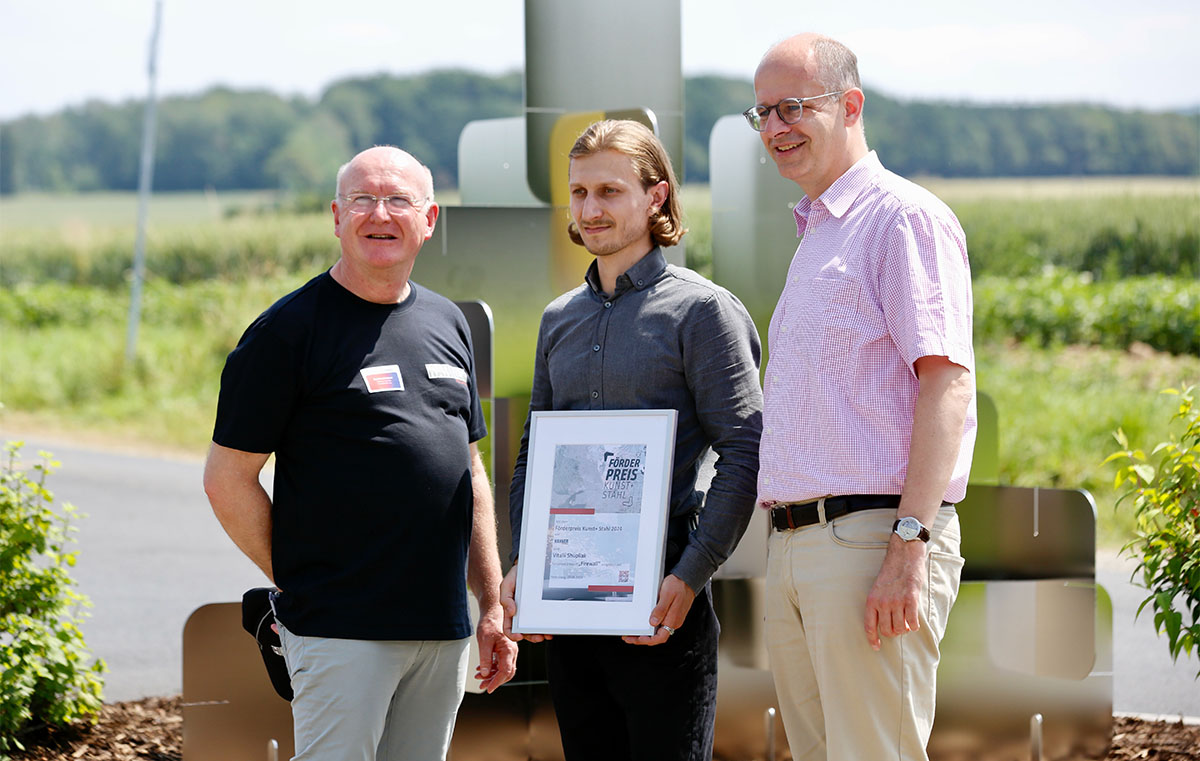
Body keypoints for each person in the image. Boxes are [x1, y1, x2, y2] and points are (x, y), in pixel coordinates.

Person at [203, 145, 518, 761]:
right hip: (340, 630)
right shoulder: (286, 334)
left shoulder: (448, 322)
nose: (381, 212)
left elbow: (469, 473)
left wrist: (489, 602)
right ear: (336, 215)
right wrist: (305, 583)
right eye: (363, 199)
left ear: (428, 221)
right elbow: (227, 479)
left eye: (399, 200)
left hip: (442, 631)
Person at [498, 119, 763, 761]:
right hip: (570, 586)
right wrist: (525, 564)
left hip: (662, 592)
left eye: (610, 191)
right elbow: (536, 451)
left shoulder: (703, 312)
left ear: (656, 197)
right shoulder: (559, 317)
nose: (591, 209)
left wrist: (690, 573)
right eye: (580, 192)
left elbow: (746, 450)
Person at [747, 34, 976, 761]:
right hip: (796, 546)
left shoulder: (903, 218)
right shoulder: (818, 230)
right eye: (763, 113)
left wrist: (909, 544)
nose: (776, 127)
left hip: (872, 540)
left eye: (793, 107)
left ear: (850, 106)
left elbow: (946, 384)